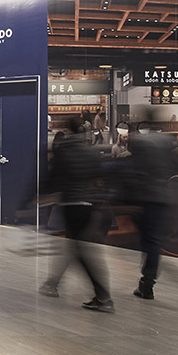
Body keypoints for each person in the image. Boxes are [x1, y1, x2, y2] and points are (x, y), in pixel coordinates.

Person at [40, 116, 113, 312]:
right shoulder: (91, 153)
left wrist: (40, 196)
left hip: (71, 203)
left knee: (79, 249)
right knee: (74, 245)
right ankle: (52, 283)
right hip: (87, 204)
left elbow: (54, 178)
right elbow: (100, 179)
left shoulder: (63, 151)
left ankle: (103, 296)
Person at [126, 118, 177, 300]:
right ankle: (148, 281)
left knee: (147, 240)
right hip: (161, 198)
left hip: (145, 198)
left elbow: (134, 170)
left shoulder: (139, 144)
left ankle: (146, 281)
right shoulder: (165, 144)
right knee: (153, 241)